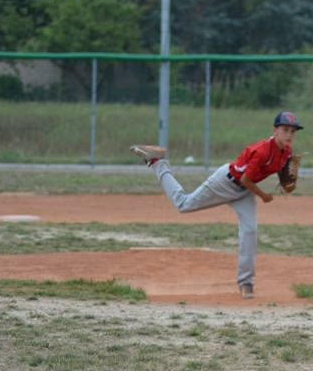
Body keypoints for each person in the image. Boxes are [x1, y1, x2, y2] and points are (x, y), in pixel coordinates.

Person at [129, 111, 303, 299]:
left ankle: (246, 283)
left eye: (293, 131)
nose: (289, 134)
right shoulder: (261, 150)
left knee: (250, 231)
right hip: (225, 182)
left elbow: (281, 175)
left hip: (244, 192)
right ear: (275, 131)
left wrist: (287, 183)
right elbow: (245, 179)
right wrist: (263, 196)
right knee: (183, 204)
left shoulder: (287, 153)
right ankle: (158, 162)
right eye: (285, 129)